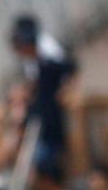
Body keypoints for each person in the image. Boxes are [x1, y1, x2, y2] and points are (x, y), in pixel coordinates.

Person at [10, 15, 77, 166]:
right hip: (43, 108)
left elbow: (70, 70)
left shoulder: (49, 53)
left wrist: (67, 90)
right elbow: (33, 82)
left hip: (51, 110)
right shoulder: (32, 59)